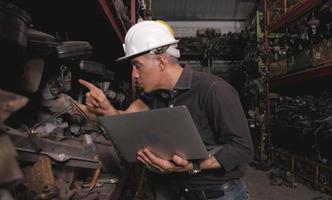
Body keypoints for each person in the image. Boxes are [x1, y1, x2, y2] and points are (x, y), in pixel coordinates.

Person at [79, 20, 254, 200]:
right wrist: (107, 108)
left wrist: (193, 165)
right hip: (170, 191)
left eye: (137, 65)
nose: (134, 75)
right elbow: (125, 121)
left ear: (161, 62)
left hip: (215, 195)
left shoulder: (213, 90)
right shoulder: (152, 95)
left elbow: (242, 149)